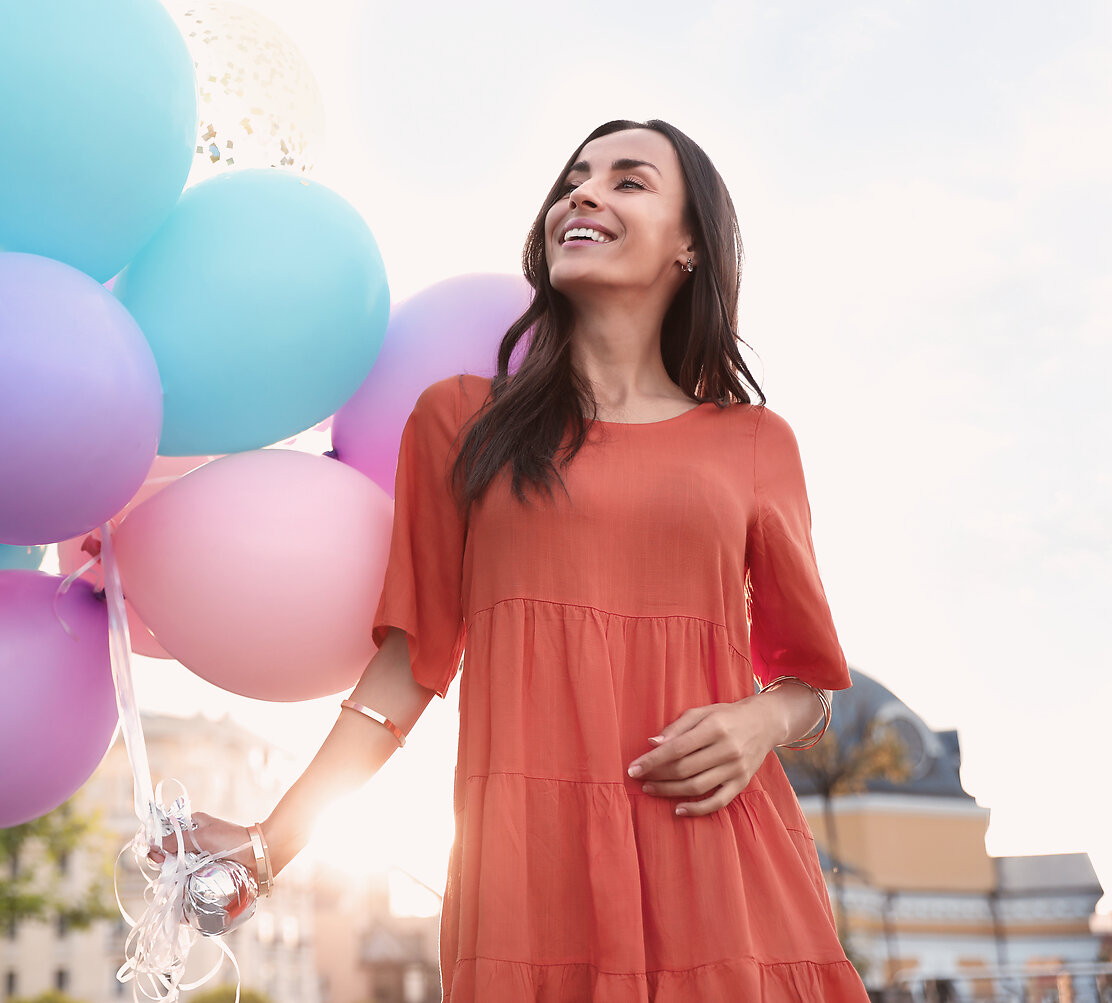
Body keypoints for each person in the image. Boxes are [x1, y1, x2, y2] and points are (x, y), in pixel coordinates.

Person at [153, 118, 870, 1001]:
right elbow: (406, 671)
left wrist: (758, 724)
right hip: (531, 873)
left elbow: (809, 685)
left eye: (629, 180)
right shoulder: (459, 423)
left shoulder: (756, 444)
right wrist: (270, 845)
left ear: (689, 243)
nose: (585, 192)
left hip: (719, 862)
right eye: (575, 176)